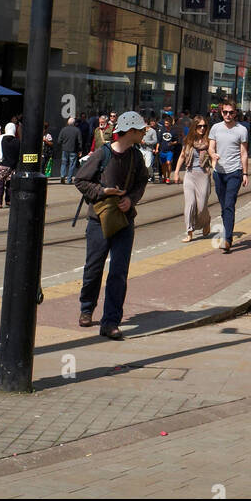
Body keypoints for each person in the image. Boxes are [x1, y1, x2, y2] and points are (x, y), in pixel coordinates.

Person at [74, 111, 148, 340]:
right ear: (131, 131)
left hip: (124, 221)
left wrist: (131, 200)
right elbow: (80, 180)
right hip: (99, 220)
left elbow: (141, 181)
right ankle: (87, 308)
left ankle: (110, 322)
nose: (144, 133)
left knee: (118, 272)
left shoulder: (137, 157)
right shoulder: (102, 154)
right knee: (93, 268)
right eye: (141, 130)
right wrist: (102, 191)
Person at [209, 100, 249, 252]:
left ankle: (227, 239)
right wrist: (213, 155)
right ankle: (227, 233)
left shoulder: (241, 130)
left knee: (229, 204)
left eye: (231, 112)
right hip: (219, 172)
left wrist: (245, 173)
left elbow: (244, 153)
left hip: (235, 172)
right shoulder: (215, 128)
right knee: (223, 205)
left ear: (235, 113)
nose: (228, 115)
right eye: (225, 112)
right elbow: (211, 148)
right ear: (221, 112)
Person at [174, 117, 212, 243]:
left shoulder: (209, 141)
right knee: (190, 204)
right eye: (199, 126)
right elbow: (182, 156)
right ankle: (189, 232)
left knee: (201, 207)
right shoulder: (188, 141)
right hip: (189, 175)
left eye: (204, 126)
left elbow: (213, 156)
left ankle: (206, 221)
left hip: (203, 175)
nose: (202, 128)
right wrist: (176, 172)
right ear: (194, 127)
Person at [0, 123, 20, 209]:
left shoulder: (0, 138)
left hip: (1, 164)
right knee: (9, 184)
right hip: (12, 166)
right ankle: (8, 200)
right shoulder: (17, 141)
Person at [57, 118, 83, 184]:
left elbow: (59, 140)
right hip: (73, 150)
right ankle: (69, 179)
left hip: (65, 149)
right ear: (74, 123)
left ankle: (62, 176)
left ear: (68, 123)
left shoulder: (63, 129)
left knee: (64, 163)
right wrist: (80, 150)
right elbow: (80, 141)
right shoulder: (77, 130)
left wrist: (62, 145)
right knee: (72, 165)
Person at [158, 115, 179, 184]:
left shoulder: (173, 131)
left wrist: (172, 143)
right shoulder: (162, 130)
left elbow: (176, 141)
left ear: (170, 123)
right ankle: (164, 177)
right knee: (163, 165)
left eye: (167, 123)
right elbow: (159, 141)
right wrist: (157, 149)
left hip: (170, 151)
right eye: (165, 123)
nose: (165, 124)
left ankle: (168, 177)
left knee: (168, 163)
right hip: (162, 150)